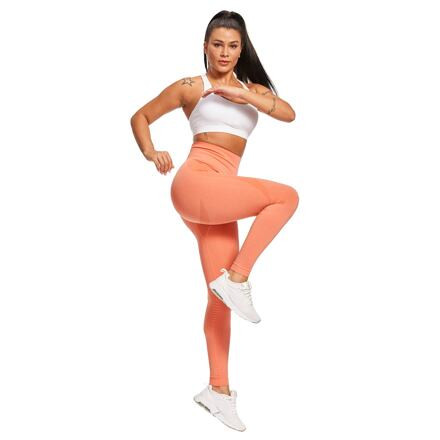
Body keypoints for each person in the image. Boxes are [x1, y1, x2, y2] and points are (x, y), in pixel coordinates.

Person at [130, 10, 299, 432]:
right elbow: (140, 116)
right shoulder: (191, 87)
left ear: (242, 50)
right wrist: (151, 152)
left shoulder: (252, 89)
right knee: (285, 197)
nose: (224, 52)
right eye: (218, 44)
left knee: (218, 299)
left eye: (233, 46)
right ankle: (238, 277)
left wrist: (246, 97)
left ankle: (218, 391)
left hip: (221, 195)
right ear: (205, 46)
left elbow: (288, 113)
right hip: (195, 182)